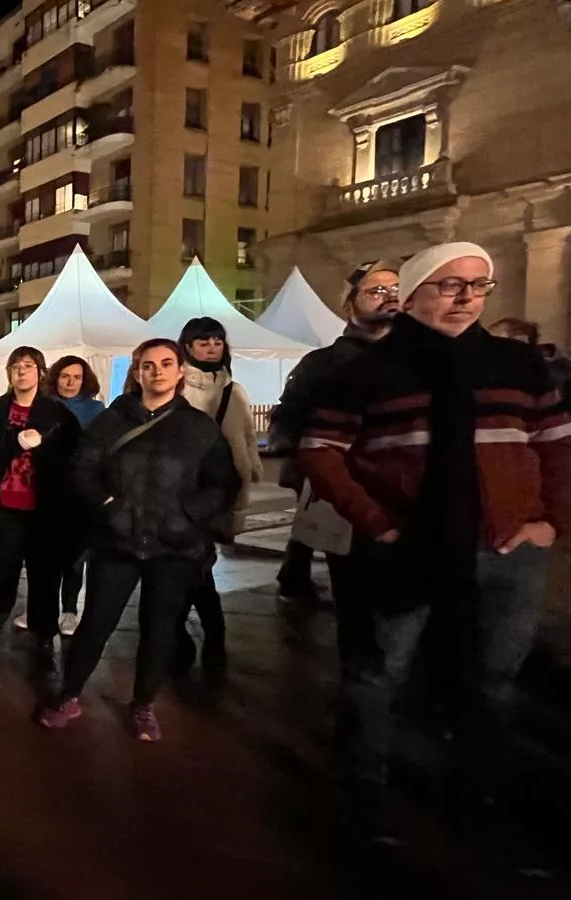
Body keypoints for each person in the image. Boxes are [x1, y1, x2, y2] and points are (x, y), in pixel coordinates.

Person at [300, 243, 570, 862]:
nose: (467, 297)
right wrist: (377, 523)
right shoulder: (367, 371)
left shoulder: (516, 365)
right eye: (450, 285)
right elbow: (320, 450)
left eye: (479, 284)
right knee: (379, 670)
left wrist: (551, 523)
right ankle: (363, 787)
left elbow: (557, 446)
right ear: (414, 292)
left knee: (492, 679)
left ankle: (477, 794)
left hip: (504, 548)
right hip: (406, 547)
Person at [38, 339, 239, 742]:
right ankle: (69, 693)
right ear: (137, 372)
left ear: (180, 371)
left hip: (174, 546)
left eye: (166, 363)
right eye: (148, 365)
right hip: (118, 542)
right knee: (96, 622)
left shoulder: (198, 427)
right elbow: (83, 470)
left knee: (160, 627)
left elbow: (222, 481)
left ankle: (144, 703)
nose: (157, 371)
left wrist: (188, 515)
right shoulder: (112, 421)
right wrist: (109, 507)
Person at [269, 259, 402, 664]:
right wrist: (312, 468)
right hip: (349, 497)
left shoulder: (422, 359)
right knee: (360, 609)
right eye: (376, 290)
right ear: (350, 303)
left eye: (396, 289)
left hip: (414, 499)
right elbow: (288, 420)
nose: (389, 297)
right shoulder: (324, 363)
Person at [0, 347, 80, 670]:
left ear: (40, 373)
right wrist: (14, 444)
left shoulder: (58, 415)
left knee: (45, 580)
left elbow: (74, 458)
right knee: (0, 577)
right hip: (4, 511)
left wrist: (44, 448)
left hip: (43, 514)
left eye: (28, 366)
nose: (21, 372)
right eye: (16, 366)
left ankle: (44, 641)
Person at [173, 317, 263, 673]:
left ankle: (190, 638)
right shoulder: (178, 387)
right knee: (195, 567)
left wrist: (251, 467)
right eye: (204, 341)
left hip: (222, 488)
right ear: (188, 346)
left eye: (217, 341)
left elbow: (247, 436)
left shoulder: (234, 390)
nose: (212, 347)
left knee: (197, 566)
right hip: (185, 490)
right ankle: (208, 639)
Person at [32, 355, 105, 636]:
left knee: (75, 556)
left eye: (77, 377)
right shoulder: (43, 405)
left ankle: (70, 609)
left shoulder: (95, 410)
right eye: (65, 376)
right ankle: (41, 609)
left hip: (78, 491)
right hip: (46, 488)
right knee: (43, 555)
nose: (70, 382)